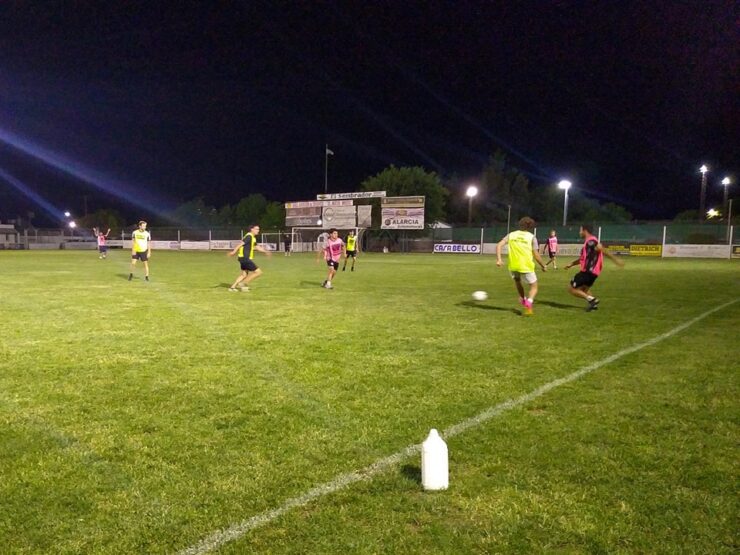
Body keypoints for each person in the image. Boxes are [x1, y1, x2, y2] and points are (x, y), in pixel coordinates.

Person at [564, 223, 624, 311]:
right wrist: (572, 264)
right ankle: (593, 305)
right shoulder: (588, 243)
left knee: (571, 289)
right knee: (584, 290)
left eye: (580, 230)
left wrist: (616, 260)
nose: (579, 232)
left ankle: (593, 300)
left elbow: (602, 249)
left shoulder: (591, 241)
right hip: (593, 273)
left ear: (585, 231)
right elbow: (582, 258)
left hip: (588, 271)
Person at [496, 217, 547, 315]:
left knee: (518, 282)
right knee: (534, 286)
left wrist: (499, 259)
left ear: (520, 224)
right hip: (526, 266)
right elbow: (536, 255)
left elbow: (499, 245)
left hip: (513, 266)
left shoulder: (511, 235)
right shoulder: (531, 237)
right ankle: (529, 301)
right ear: (531, 227)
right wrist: (543, 265)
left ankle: (523, 299)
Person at [227, 224, 271, 291]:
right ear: (252, 229)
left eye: (258, 229)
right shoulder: (249, 236)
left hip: (242, 258)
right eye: (257, 229)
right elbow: (240, 244)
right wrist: (233, 252)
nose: (258, 231)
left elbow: (257, 247)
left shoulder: (253, 238)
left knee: (244, 275)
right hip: (245, 258)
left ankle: (232, 287)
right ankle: (243, 283)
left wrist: (265, 251)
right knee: (258, 272)